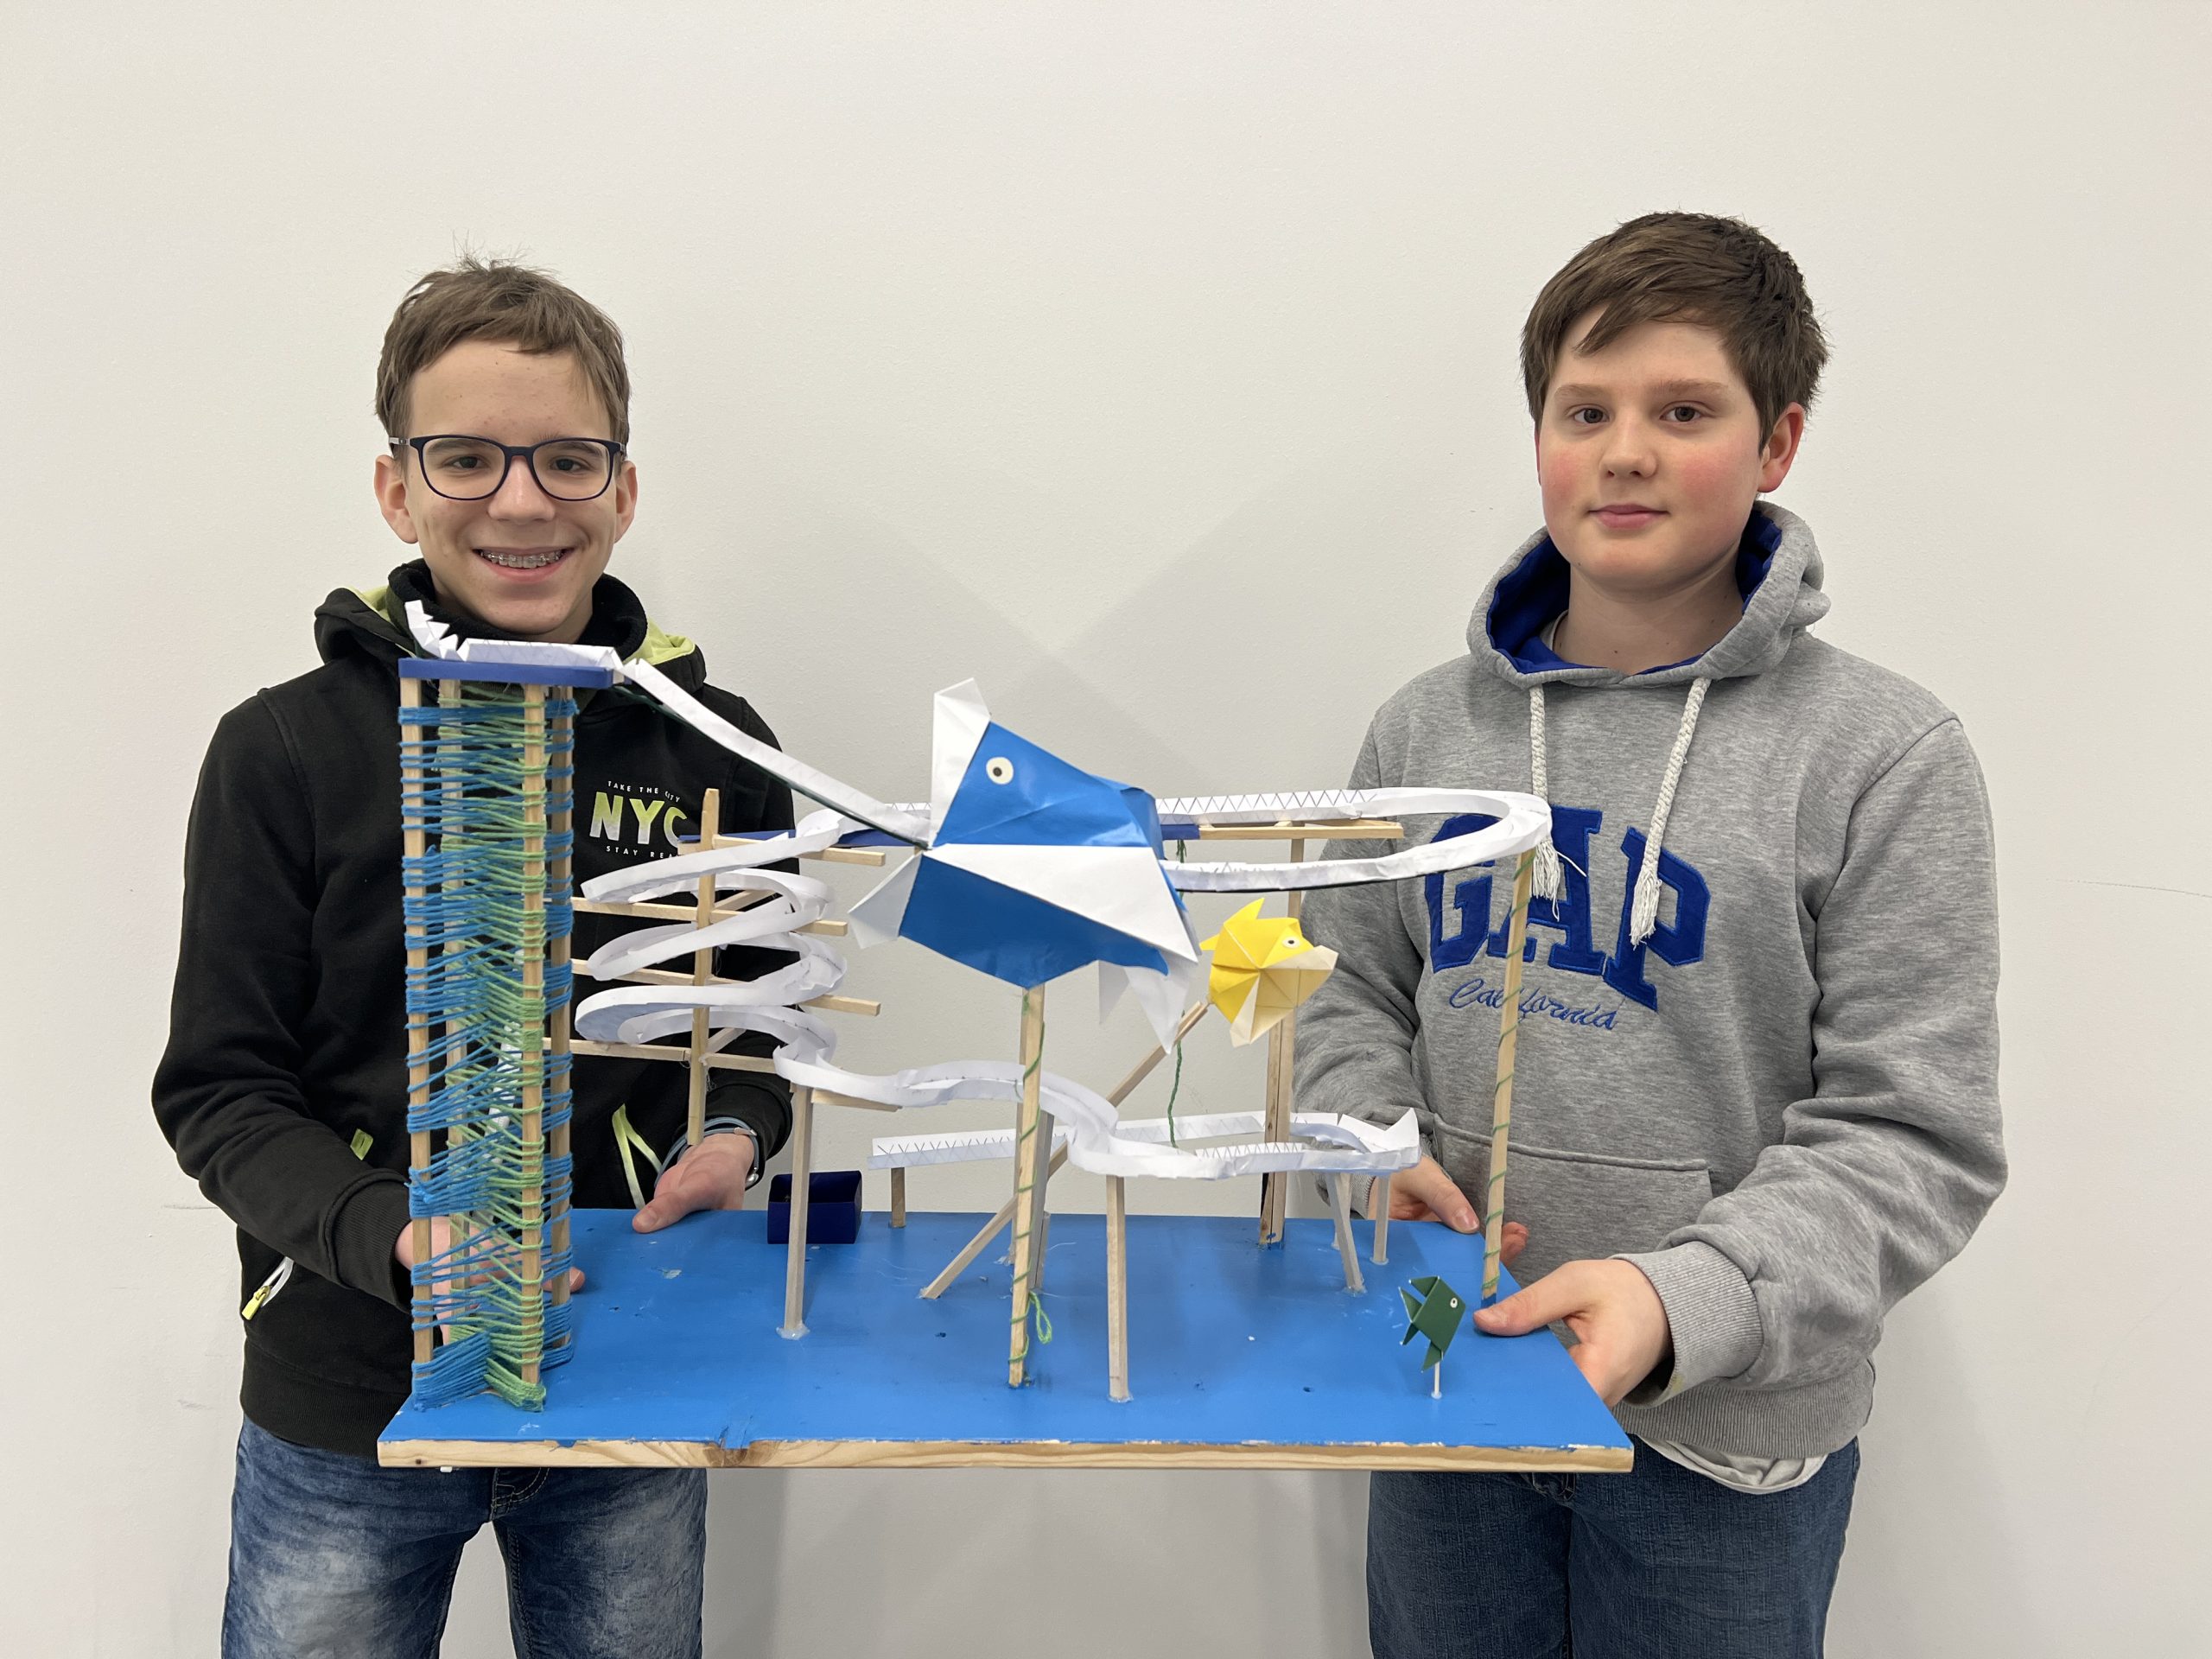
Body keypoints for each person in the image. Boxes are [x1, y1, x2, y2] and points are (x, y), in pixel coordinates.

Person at [1294, 213, 2005, 1657]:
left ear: (1778, 442)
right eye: (1585, 412)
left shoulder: (1883, 755)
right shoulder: (1424, 733)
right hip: (1451, 1371)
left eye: (1684, 412)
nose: (1624, 453)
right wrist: (1366, 1145)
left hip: (1726, 1446)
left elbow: (1916, 1136)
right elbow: (1343, 987)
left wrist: (1680, 1300)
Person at [153, 257, 793, 1659]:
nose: (520, 501)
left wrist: (738, 1133)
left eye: (567, 459)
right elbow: (220, 1092)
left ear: (623, 489)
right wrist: (397, 1234)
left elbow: (758, 1037)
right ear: (398, 488)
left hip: (629, 1369)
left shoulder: (720, 750)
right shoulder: (283, 751)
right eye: (467, 458)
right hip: (350, 1392)